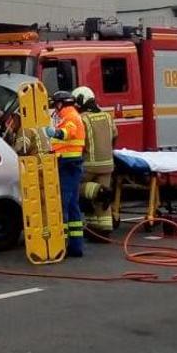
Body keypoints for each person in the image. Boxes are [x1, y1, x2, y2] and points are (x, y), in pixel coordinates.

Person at [45, 90, 86, 257]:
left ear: (61, 103)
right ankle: (75, 247)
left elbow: (68, 132)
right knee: (72, 205)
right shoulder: (69, 115)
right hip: (71, 164)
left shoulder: (70, 116)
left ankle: (61, 243)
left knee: (62, 203)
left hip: (68, 164)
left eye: (55, 103)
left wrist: (55, 133)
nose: (55, 107)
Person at [72, 86, 117, 241]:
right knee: (101, 201)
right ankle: (103, 230)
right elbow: (115, 136)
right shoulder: (107, 116)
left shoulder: (82, 118)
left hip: (89, 164)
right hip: (108, 164)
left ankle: (99, 190)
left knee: (74, 189)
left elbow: (79, 143)